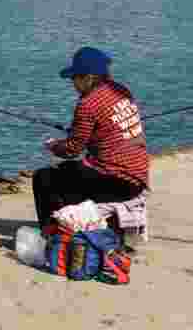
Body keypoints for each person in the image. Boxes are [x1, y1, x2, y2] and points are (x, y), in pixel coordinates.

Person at [32, 47, 149, 236]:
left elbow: (72, 150)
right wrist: (84, 133)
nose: (72, 83)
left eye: (74, 78)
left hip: (118, 181)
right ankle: (78, 226)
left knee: (44, 177)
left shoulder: (87, 104)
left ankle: (52, 233)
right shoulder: (121, 91)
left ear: (89, 78)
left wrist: (53, 145)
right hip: (138, 175)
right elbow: (108, 130)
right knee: (69, 172)